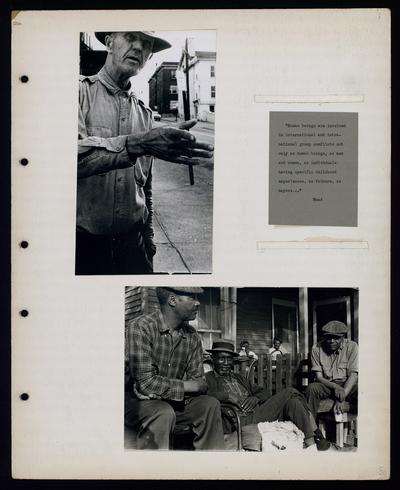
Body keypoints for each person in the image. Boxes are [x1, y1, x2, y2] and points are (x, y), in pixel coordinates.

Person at [76, 32, 214, 274]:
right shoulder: (77, 94)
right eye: (130, 37)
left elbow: (145, 185)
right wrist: (137, 143)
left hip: (135, 246)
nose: (139, 47)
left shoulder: (145, 115)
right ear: (109, 42)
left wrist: (149, 237)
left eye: (147, 44)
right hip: (85, 247)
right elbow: (69, 161)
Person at [125, 287, 225, 450]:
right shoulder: (141, 327)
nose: (198, 303)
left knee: (210, 404)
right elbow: (146, 383)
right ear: (172, 300)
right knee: (162, 411)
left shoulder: (192, 336)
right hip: (136, 404)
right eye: (192, 298)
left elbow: (200, 383)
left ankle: (211, 468)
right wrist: (188, 386)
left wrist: (187, 386)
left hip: (174, 402)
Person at [205, 340, 330, 451]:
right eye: (221, 358)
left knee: (294, 402)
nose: (226, 363)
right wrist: (227, 396)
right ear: (213, 359)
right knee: (290, 391)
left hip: (257, 414)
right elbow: (203, 395)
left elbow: (265, 392)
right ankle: (317, 434)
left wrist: (255, 398)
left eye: (229, 359)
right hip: (238, 420)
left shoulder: (239, 378)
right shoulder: (208, 378)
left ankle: (312, 445)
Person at [306, 320, 358, 419]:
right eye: (329, 337)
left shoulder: (352, 347)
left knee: (363, 388)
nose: (332, 341)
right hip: (328, 386)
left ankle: (360, 427)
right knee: (312, 388)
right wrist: (335, 386)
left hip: (347, 386)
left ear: (343, 337)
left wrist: (341, 398)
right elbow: (319, 377)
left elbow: (353, 375)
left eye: (336, 338)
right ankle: (310, 427)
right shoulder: (316, 348)